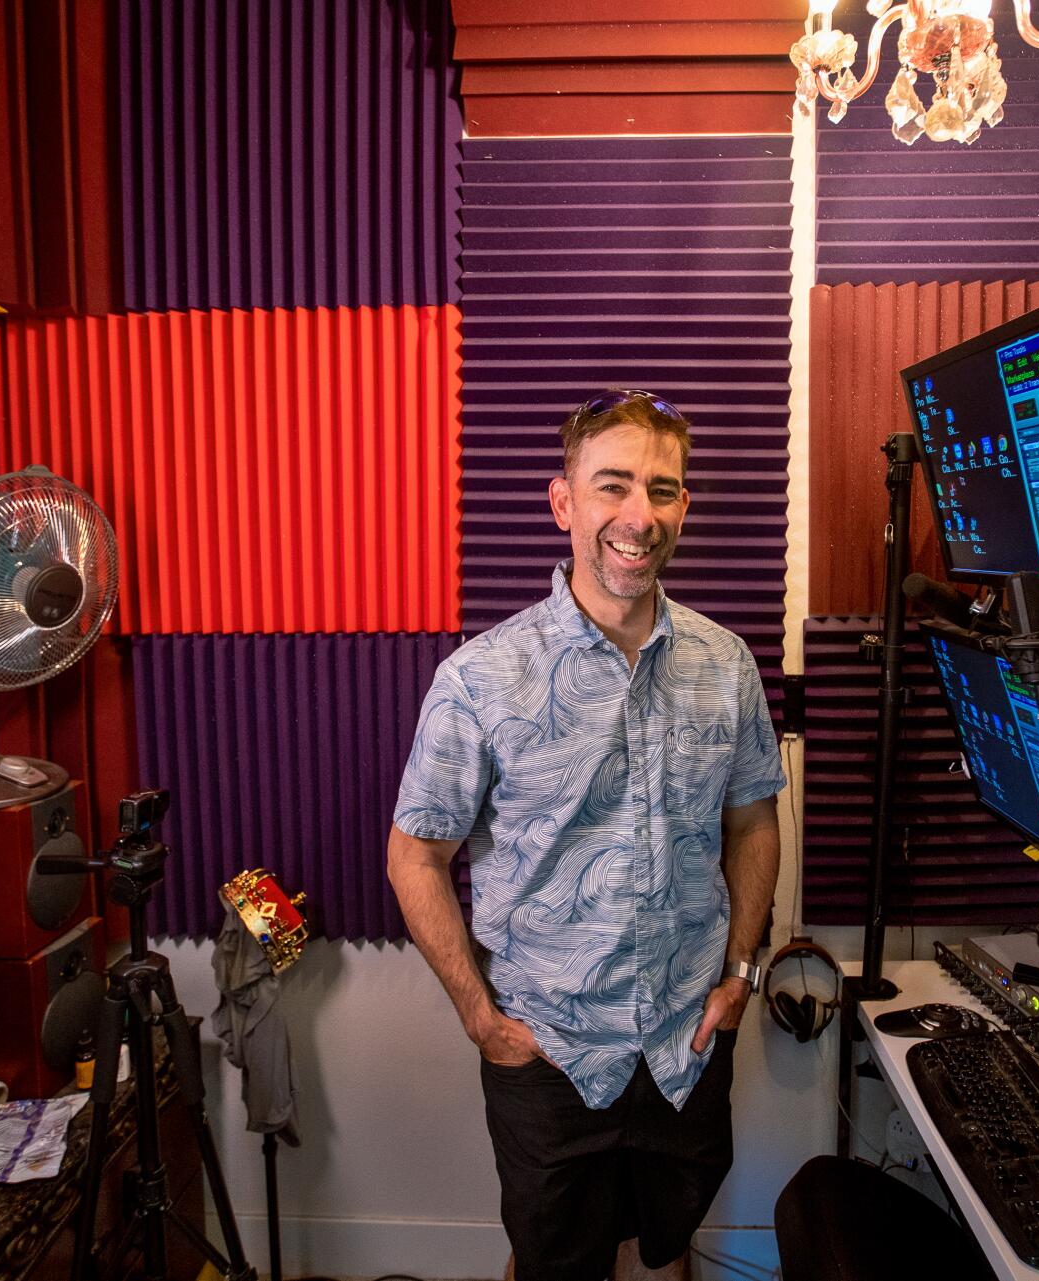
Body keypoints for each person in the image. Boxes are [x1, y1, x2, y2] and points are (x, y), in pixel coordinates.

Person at [387, 389, 786, 1281]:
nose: (639, 516)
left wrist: (741, 973)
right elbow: (415, 853)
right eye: (613, 486)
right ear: (564, 501)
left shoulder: (728, 666)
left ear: (685, 505)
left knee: (663, 1250)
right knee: (553, 1262)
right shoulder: (480, 680)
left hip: (687, 1039)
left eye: (664, 489)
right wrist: (480, 1018)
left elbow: (754, 818)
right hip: (550, 1050)